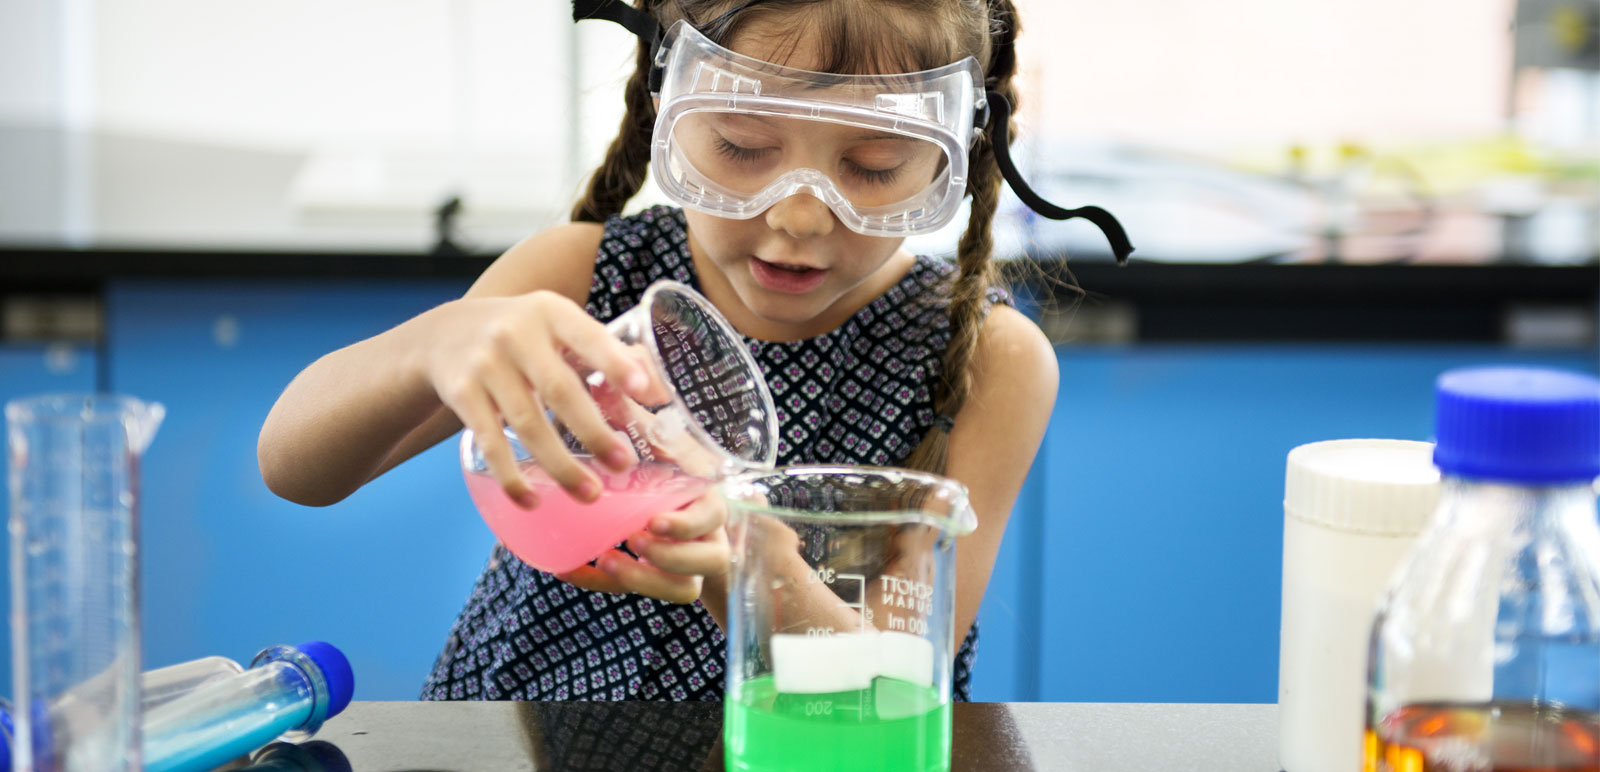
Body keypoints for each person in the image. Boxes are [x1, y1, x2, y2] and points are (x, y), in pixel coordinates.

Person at [257, 0, 1131, 703]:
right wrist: (434, 342)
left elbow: (901, 688)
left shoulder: (989, 360)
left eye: (872, 165)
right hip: (514, 732)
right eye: (743, 149)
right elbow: (296, 468)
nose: (797, 215)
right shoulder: (580, 275)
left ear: (954, 154)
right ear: (670, 104)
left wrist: (748, 568)